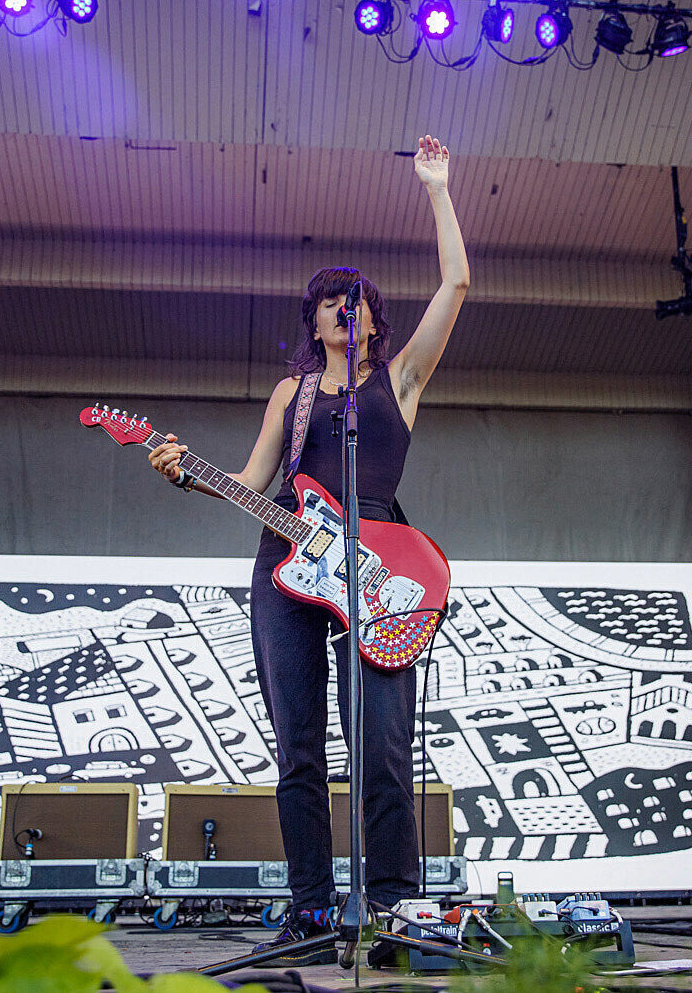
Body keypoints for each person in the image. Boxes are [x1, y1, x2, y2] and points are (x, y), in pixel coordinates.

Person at [148, 135, 468, 962]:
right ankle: (312, 906)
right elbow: (253, 478)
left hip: (376, 562)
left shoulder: (399, 380)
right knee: (298, 744)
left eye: (352, 298)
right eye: (328, 299)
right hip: (285, 562)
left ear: (371, 317)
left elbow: (457, 283)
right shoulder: (290, 394)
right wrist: (186, 470)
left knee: (382, 746)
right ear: (314, 319)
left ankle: (394, 904)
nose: (342, 306)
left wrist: (436, 189)